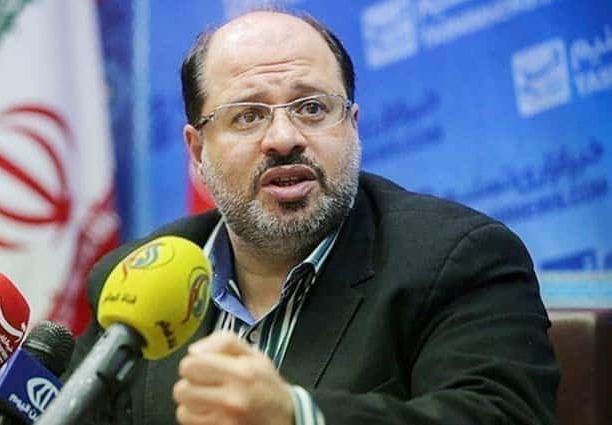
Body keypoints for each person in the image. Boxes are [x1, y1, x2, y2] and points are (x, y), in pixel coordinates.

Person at [70, 9, 559, 425]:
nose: (284, 138)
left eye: (311, 108)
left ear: (351, 126)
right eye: (248, 115)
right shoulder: (135, 283)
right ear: (198, 152)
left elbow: (502, 415)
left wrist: (297, 415)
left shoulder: (458, 259)